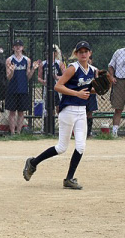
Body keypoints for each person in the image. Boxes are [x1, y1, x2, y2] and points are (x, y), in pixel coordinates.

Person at [23, 41, 97, 190]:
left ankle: (69, 178)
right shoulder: (72, 68)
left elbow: (90, 89)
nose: (83, 54)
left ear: (90, 53)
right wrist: (77, 93)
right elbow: (58, 86)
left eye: (86, 51)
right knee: (62, 147)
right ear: (76, 54)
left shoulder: (93, 70)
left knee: (81, 146)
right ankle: (33, 163)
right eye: (80, 51)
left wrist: (98, 89)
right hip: (68, 110)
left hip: (82, 111)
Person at [5, 39, 40, 134]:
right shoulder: (9, 60)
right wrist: (12, 71)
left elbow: (28, 76)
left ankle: (19, 132)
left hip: (23, 89)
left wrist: (33, 69)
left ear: (22, 47)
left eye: (19, 46)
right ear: (13, 47)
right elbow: (8, 77)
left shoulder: (27, 60)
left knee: (21, 112)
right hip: (12, 89)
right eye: (16, 46)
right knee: (12, 112)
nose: (18, 47)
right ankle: (12, 132)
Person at [37, 45, 65, 118]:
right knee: (49, 109)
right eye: (47, 53)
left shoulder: (59, 64)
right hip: (48, 88)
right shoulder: (43, 64)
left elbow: (65, 76)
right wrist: (43, 81)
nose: (49, 54)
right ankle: (50, 126)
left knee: (59, 108)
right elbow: (39, 77)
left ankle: (61, 124)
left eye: (51, 52)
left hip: (57, 88)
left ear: (55, 53)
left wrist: (57, 77)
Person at [86, 55, 98, 137]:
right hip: (81, 93)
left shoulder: (94, 69)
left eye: (90, 59)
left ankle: (88, 132)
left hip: (91, 94)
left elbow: (96, 82)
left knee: (90, 112)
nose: (88, 60)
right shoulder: (78, 68)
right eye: (87, 58)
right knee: (81, 112)